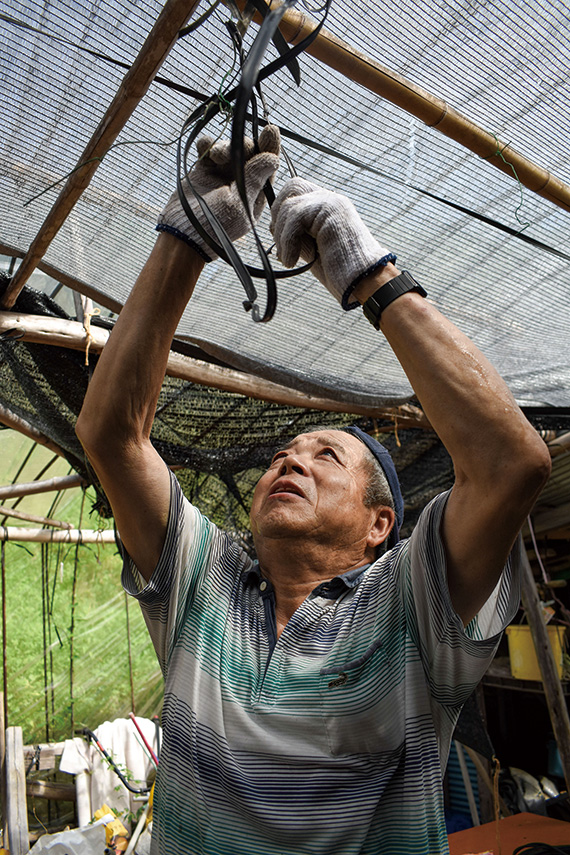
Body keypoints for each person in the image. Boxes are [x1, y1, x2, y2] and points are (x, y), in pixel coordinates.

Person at [76, 125, 551, 855]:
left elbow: (514, 462)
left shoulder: (409, 604)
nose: (288, 462)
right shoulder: (205, 582)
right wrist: (186, 237)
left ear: (378, 525)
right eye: (282, 455)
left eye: (325, 455)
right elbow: (111, 434)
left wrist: (371, 275)